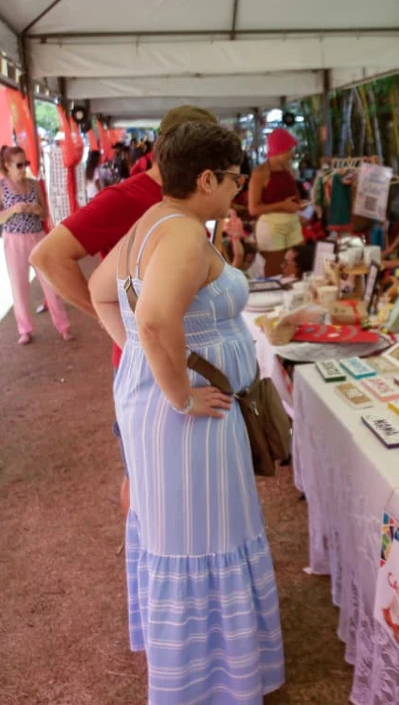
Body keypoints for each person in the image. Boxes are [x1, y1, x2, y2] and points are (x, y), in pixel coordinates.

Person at [86, 120, 284, 702]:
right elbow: (150, 320)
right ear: (205, 178)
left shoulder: (151, 223)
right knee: (204, 533)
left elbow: (103, 293)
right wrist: (178, 392)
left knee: (179, 532)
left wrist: (143, 368)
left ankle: (201, 671)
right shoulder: (181, 233)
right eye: (232, 178)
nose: (237, 187)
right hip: (189, 418)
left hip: (166, 408)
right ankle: (211, 683)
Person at [30, 105, 219, 516]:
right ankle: (147, 562)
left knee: (174, 482)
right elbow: (48, 256)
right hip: (148, 363)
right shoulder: (128, 197)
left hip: (180, 356)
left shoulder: (180, 198)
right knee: (146, 478)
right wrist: (111, 325)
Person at [0, 146, 71, 345]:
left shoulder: (34, 185)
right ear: (7, 166)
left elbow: (45, 213)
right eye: (19, 165)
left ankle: (63, 326)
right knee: (19, 286)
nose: (23, 168)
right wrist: (13, 210)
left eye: (26, 164)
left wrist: (37, 209)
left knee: (50, 283)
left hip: (37, 236)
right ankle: (24, 329)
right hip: (14, 239)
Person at [248, 128, 304, 276]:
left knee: (298, 265)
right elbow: (253, 209)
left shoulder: (288, 169)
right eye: (289, 149)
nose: (292, 154)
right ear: (280, 149)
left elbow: (293, 195)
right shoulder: (260, 172)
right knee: (275, 270)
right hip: (271, 226)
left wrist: (299, 205)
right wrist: (282, 206)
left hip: (292, 223)